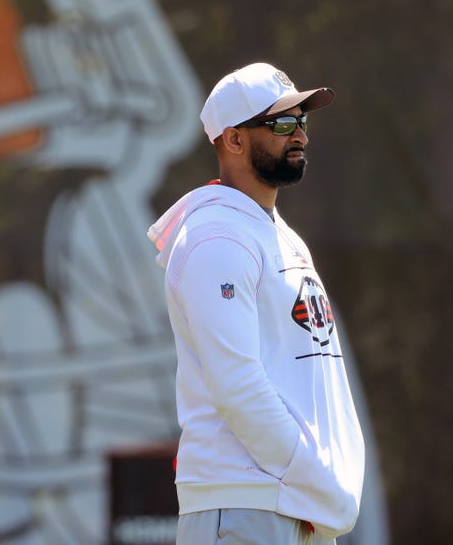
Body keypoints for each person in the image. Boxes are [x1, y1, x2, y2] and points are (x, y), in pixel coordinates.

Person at [147, 62, 365, 544]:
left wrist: (316, 487)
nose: (301, 135)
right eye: (281, 122)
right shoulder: (217, 238)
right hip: (247, 504)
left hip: (288, 503)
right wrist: (312, 477)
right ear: (234, 140)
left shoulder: (272, 233)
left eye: (302, 120)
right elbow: (237, 385)